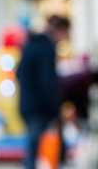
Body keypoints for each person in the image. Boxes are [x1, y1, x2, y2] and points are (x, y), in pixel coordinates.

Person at [16, 16, 69, 169]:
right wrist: (54, 105)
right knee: (35, 145)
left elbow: (18, 72)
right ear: (60, 31)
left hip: (27, 103)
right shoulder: (47, 48)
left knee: (33, 145)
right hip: (40, 107)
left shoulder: (31, 44)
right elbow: (48, 81)